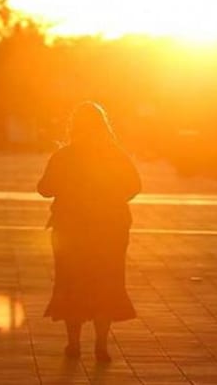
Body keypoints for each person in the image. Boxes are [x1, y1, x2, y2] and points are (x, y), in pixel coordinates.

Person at [37, 101, 141, 362]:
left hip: (70, 230)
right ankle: (101, 345)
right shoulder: (115, 155)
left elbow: (44, 188)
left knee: (72, 284)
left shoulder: (64, 156)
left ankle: (73, 344)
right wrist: (111, 200)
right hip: (110, 230)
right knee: (106, 284)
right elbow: (134, 185)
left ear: (74, 127)